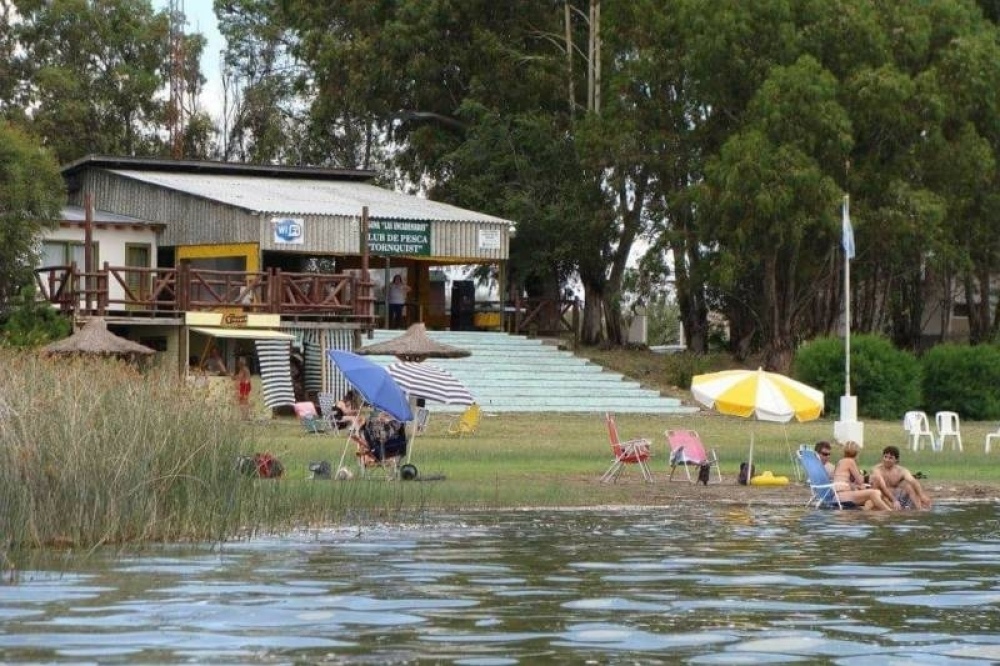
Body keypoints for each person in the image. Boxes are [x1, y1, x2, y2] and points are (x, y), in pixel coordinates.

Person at [832, 441, 893, 511]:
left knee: (871, 500)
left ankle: (866, 513)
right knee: (874, 493)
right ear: (856, 453)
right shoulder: (850, 461)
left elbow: (845, 481)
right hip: (842, 496)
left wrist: (856, 486)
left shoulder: (841, 461)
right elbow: (860, 480)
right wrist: (865, 476)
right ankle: (889, 512)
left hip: (839, 495)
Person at [870, 445, 933, 510]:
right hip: (881, 495)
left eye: (890, 458)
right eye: (885, 457)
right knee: (879, 491)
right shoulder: (877, 469)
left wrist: (922, 495)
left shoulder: (901, 470)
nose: (887, 460)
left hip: (896, 494)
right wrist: (894, 501)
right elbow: (881, 488)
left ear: (896, 460)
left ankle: (919, 509)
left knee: (908, 486)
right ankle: (893, 509)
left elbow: (913, 481)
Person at [234, 356, 252, 420]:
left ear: (240, 363)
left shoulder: (244, 369)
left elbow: (241, 377)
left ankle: (245, 417)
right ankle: (246, 416)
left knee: (243, 401)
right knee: (244, 401)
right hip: (245, 385)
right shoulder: (244, 369)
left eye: (238, 362)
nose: (237, 364)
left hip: (245, 385)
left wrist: (234, 377)